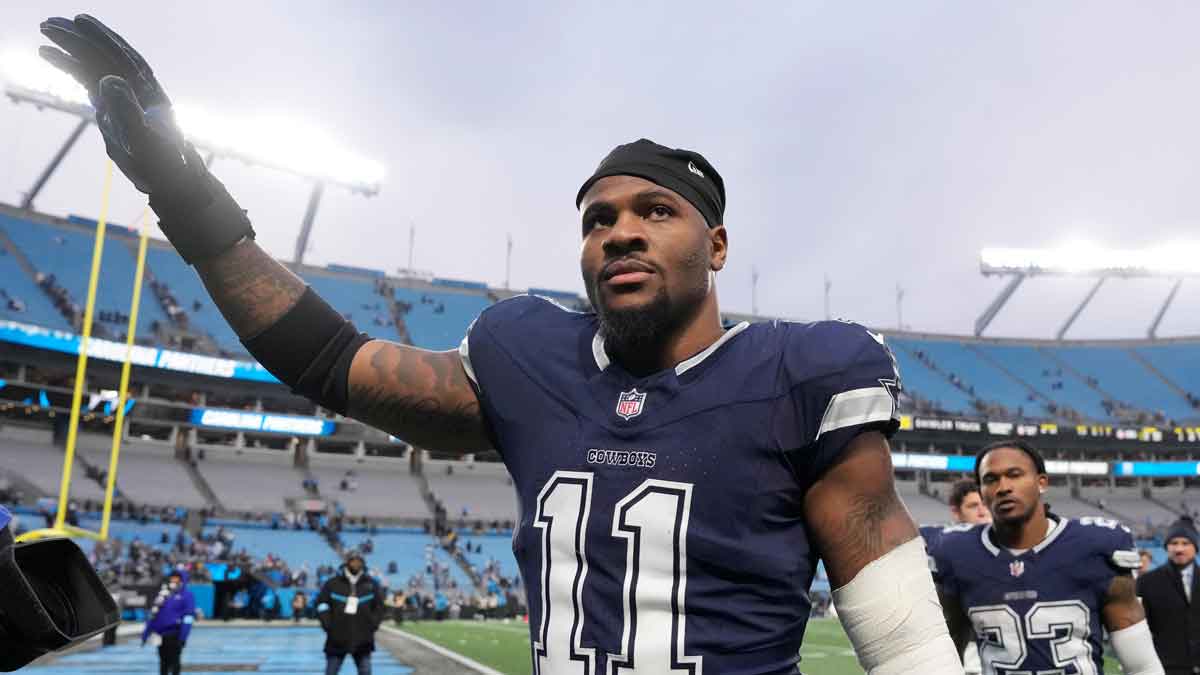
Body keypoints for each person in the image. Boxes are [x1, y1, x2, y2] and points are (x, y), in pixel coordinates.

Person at [38, 16, 963, 673]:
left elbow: (909, 646)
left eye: (655, 210)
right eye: (599, 219)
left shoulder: (800, 374)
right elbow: (328, 360)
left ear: (715, 246)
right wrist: (183, 188)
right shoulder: (530, 355)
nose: (621, 232)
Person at [931, 440, 1164, 675]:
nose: (1003, 487)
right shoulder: (958, 554)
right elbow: (944, 658)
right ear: (981, 491)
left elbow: (1142, 665)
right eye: (991, 479)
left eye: (1015, 475)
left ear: (1042, 482)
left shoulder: (1093, 546)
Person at [920, 478, 991, 675]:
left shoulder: (1010, 541)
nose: (982, 511)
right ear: (956, 512)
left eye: (985, 504)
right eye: (973, 505)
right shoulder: (941, 540)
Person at [1136, 515, 1199, 674]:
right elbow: (1140, 629)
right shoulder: (1147, 583)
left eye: (1185, 543)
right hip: (1165, 667)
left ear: (1195, 547)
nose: (1179, 549)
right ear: (1166, 547)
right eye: (1174, 543)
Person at [315, 551, 384, 675]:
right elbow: (322, 604)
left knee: (365, 671)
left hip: (363, 638)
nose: (356, 563)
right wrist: (328, 625)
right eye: (353, 560)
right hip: (336, 638)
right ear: (347, 562)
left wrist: (373, 625)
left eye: (359, 561)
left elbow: (379, 608)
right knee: (331, 672)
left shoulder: (372, 585)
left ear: (363, 564)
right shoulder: (332, 584)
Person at [141, 569, 196, 675]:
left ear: (182, 580)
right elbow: (153, 615)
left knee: (174, 662)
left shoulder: (187, 595)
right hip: (160, 635)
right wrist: (146, 634)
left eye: (176, 578)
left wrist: (183, 636)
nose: (173, 581)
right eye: (172, 578)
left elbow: (188, 617)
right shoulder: (163, 595)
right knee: (163, 663)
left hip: (174, 634)